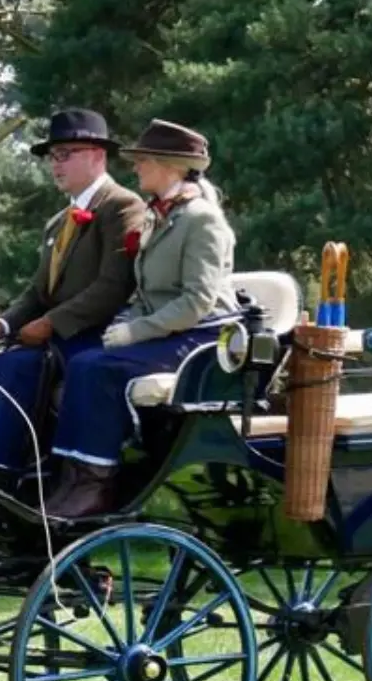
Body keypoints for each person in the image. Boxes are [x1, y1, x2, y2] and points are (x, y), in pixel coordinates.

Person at [44, 119, 240, 518]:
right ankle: (74, 478)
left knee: (100, 370)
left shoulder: (201, 220)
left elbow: (197, 301)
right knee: (82, 362)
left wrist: (135, 331)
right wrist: (125, 321)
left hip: (202, 339)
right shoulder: (161, 216)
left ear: (169, 166)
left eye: (143, 160)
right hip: (169, 332)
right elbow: (147, 292)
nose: (135, 167)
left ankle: (97, 482)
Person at [0, 108, 148, 488]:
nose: (56, 164)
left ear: (97, 155)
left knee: (16, 367)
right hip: (54, 337)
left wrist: (51, 323)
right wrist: (2, 325)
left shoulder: (122, 206)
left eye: (65, 154)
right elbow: (39, 292)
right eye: (52, 156)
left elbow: (113, 287)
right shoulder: (58, 221)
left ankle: (9, 474)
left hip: (95, 335)